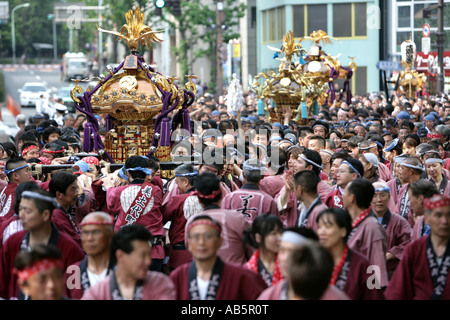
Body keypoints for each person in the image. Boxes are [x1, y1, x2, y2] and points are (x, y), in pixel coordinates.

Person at [0, 189, 85, 299]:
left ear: (45, 215)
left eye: (27, 211)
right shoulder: (14, 242)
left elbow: (75, 291)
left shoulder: (69, 248)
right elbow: (2, 282)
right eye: (20, 210)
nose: (21, 215)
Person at [170, 215, 267, 299]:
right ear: (189, 243)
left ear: (219, 241)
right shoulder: (178, 277)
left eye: (208, 236)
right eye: (196, 237)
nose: (201, 242)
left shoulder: (241, 275)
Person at [82, 224, 176, 300]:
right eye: (142, 255)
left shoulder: (160, 284)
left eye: (149, 255)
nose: (148, 262)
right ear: (120, 256)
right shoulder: (98, 292)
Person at [106, 156, 165, 272]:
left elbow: (111, 206)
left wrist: (110, 187)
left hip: (127, 251)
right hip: (152, 251)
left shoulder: (117, 192)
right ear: (147, 172)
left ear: (127, 173)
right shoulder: (156, 190)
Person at [385, 194, 450, 300]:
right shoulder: (415, 249)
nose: (445, 221)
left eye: (449, 215)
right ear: (427, 219)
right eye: (438, 215)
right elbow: (398, 290)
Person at [257, 227, 349, 300]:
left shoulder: (334, 297)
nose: (284, 258)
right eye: (282, 251)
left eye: (292, 252)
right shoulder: (272, 295)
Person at [316, 208, 385, 299]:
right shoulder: (314, 260)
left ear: (343, 231)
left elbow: (375, 296)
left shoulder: (362, 264)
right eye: (319, 227)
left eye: (328, 226)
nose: (321, 232)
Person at [185, 172, 251, 264]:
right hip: (237, 274)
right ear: (221, 194)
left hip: (207, 274)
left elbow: (191, 251)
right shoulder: (238, 218)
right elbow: (251, 250)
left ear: (199, 199)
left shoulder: (192, 222)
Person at [343, 178, 389, 289]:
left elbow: (375, 267)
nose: (342, 196)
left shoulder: (371, 227)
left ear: (351, 198)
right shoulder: (353, 221)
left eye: (345, 193)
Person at [65, 212, 116, 300]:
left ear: (110, 236)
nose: (89, 238)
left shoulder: (123, 269)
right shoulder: (73, 272)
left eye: (95, 232)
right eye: (85, 233)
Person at [161, 164, 201, 271]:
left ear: (186, 181)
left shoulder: (178, 200)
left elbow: (160, 218)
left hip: (181, 255)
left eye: (177, 182)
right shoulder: (209, 199)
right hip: (205, 254)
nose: (177, 186)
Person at [371, 181, 412, 278]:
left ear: (389, 197)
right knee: (372, 291)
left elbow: (408, 243)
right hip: (370, 271)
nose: (379, 200)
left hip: (392, 272)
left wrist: (389, 255)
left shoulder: (400, 222)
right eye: (374, 196)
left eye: (382, 195)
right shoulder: (363, 221)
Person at [49, 170, 96, 248]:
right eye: (72, 189)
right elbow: (73, 242)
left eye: (76, 189)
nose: (76, 193)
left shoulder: (67, 209)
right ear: (59, 194)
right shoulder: (56, 216)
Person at [243, 214, 283, 287]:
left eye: (280, 232)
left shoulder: (288, 263)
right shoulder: (248, 269)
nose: (280, 238)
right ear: (258, 238)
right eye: (274, 234)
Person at [0, 157, 33, 222]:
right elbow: (5, 219)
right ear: (15, 176)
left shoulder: (7, 188)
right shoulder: (17, 193)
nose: (30, 173)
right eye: (27, 170)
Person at [395, 157, 426, 225]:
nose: (400, 171)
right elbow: (396, 211)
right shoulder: (404, 188)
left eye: (402, 168)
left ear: (411, 171)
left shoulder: (425, 189)